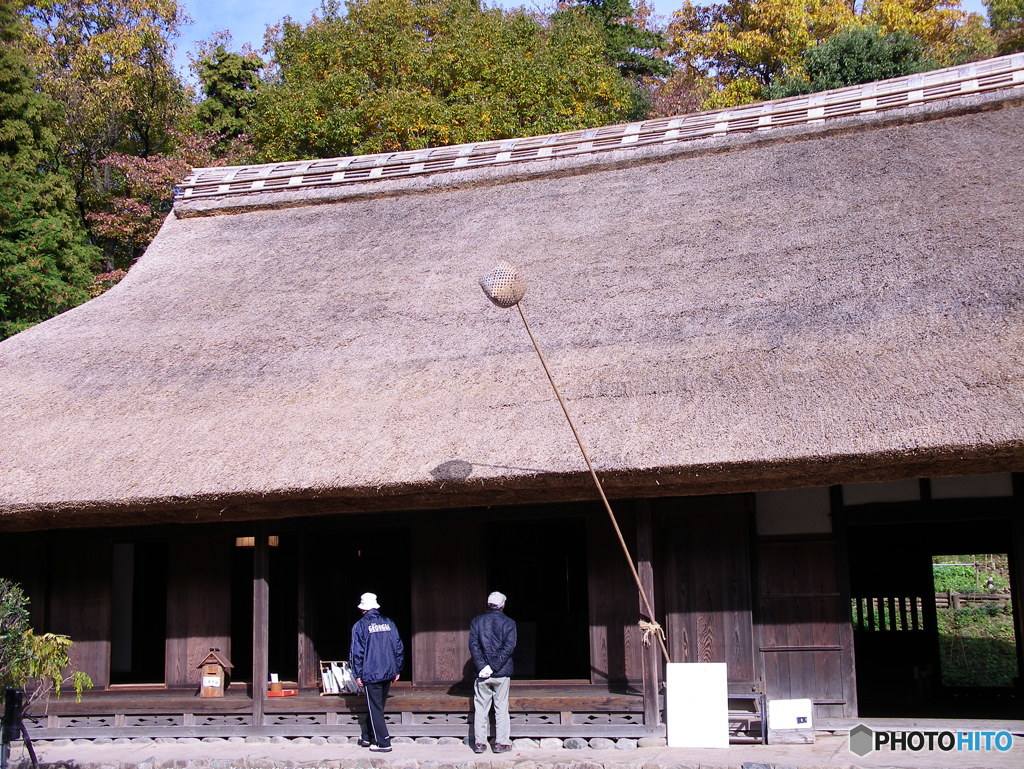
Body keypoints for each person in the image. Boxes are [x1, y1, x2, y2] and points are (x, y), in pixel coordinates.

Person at [349, 592, 404, 752]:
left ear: (363, 609)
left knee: (376, 709)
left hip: (370, 673)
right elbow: (398, 647)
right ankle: (367, 737)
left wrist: (357, 674)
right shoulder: (389, 623)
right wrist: (397, 668)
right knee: (377, 706)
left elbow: (356, 652)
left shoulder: (360, 626)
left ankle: (383, 742)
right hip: (388, 671)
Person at [468, 591, 517, 753]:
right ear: (503, 605)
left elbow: (473, 646)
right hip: (501, 673)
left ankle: (480, 743)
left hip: (482, 674)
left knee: (481, 707)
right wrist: (494, 667)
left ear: (488, 604)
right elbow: (509, 647)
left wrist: (484, 667)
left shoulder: (477, 621)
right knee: (501, 707)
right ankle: (501, 742)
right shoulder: (509, 623)